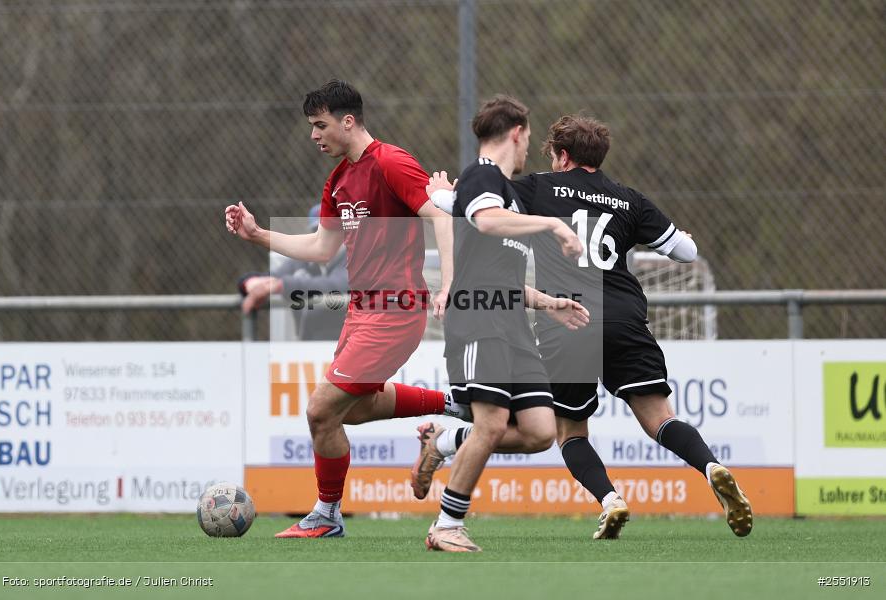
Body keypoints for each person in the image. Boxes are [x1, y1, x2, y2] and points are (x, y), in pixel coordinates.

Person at [417, 114, 753, 539]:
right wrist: (681, 236)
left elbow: (473, 209)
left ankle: (610, 500)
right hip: (624, 317)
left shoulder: (538, 187)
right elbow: (686, 252)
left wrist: (444, 194)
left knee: (568, 431)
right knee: (659, 419)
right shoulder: (628, 198)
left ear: (562, 155)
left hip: (567, 319)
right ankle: (711, 466)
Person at [225, 79, 457, 539]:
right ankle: (455, 402)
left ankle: (327, 514)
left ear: (348, 121)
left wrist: (448, 283)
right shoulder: (338, 179)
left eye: (321, 124)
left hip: (394, 311)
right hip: (361, 311)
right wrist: (258, 236)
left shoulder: (391, 162)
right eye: (312, 126)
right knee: (350, 410)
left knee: (319, 411)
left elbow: (440, 216)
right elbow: (320, 246)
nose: (314, 135)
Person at [423, 95, 585, 553]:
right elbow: (486, 221)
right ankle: (446, 526)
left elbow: (501, 274)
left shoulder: (510, 193)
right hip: (478, 322)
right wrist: (552, 225)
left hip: (513, 323)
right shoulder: (483, 176)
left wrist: (547, 302)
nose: (529, 143)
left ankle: (447, 439)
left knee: (539, 432)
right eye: (529, 136)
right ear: (517, 131)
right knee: (491, 423)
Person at [239, 205, 348, 340]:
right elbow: (267, 278)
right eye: (319, 233)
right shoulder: (303, 260)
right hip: (308, 349)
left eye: (332, 232)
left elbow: (338, 285)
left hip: (350, 346)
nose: (326, 240)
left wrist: (282, 285)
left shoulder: (355, 257)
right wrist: (251, 284)